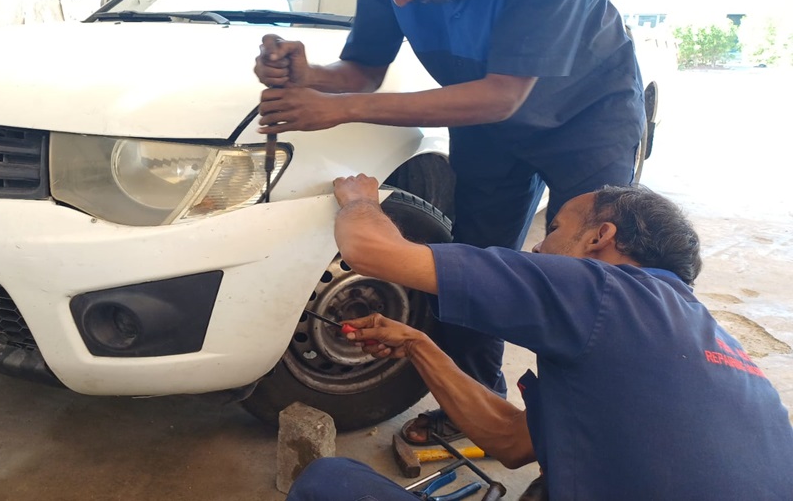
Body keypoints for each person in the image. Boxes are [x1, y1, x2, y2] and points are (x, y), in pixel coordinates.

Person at [254, 0, 647, 441]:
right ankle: (476, 406)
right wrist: (310, 75)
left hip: (586, 117)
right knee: (474, 260)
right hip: (484, 118)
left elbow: (503, 95)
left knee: (593, 270)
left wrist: (341, 109)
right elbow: (363, 69)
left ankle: (582, 431)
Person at [286, 174, 793, 500]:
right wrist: (420, 346)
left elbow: (372, 250)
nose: (538, 246)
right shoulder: (713, 348)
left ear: (600, 237)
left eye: (554, 227)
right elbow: (511, 441)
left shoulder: (605, 290)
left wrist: (360, 200)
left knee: (329, 483)